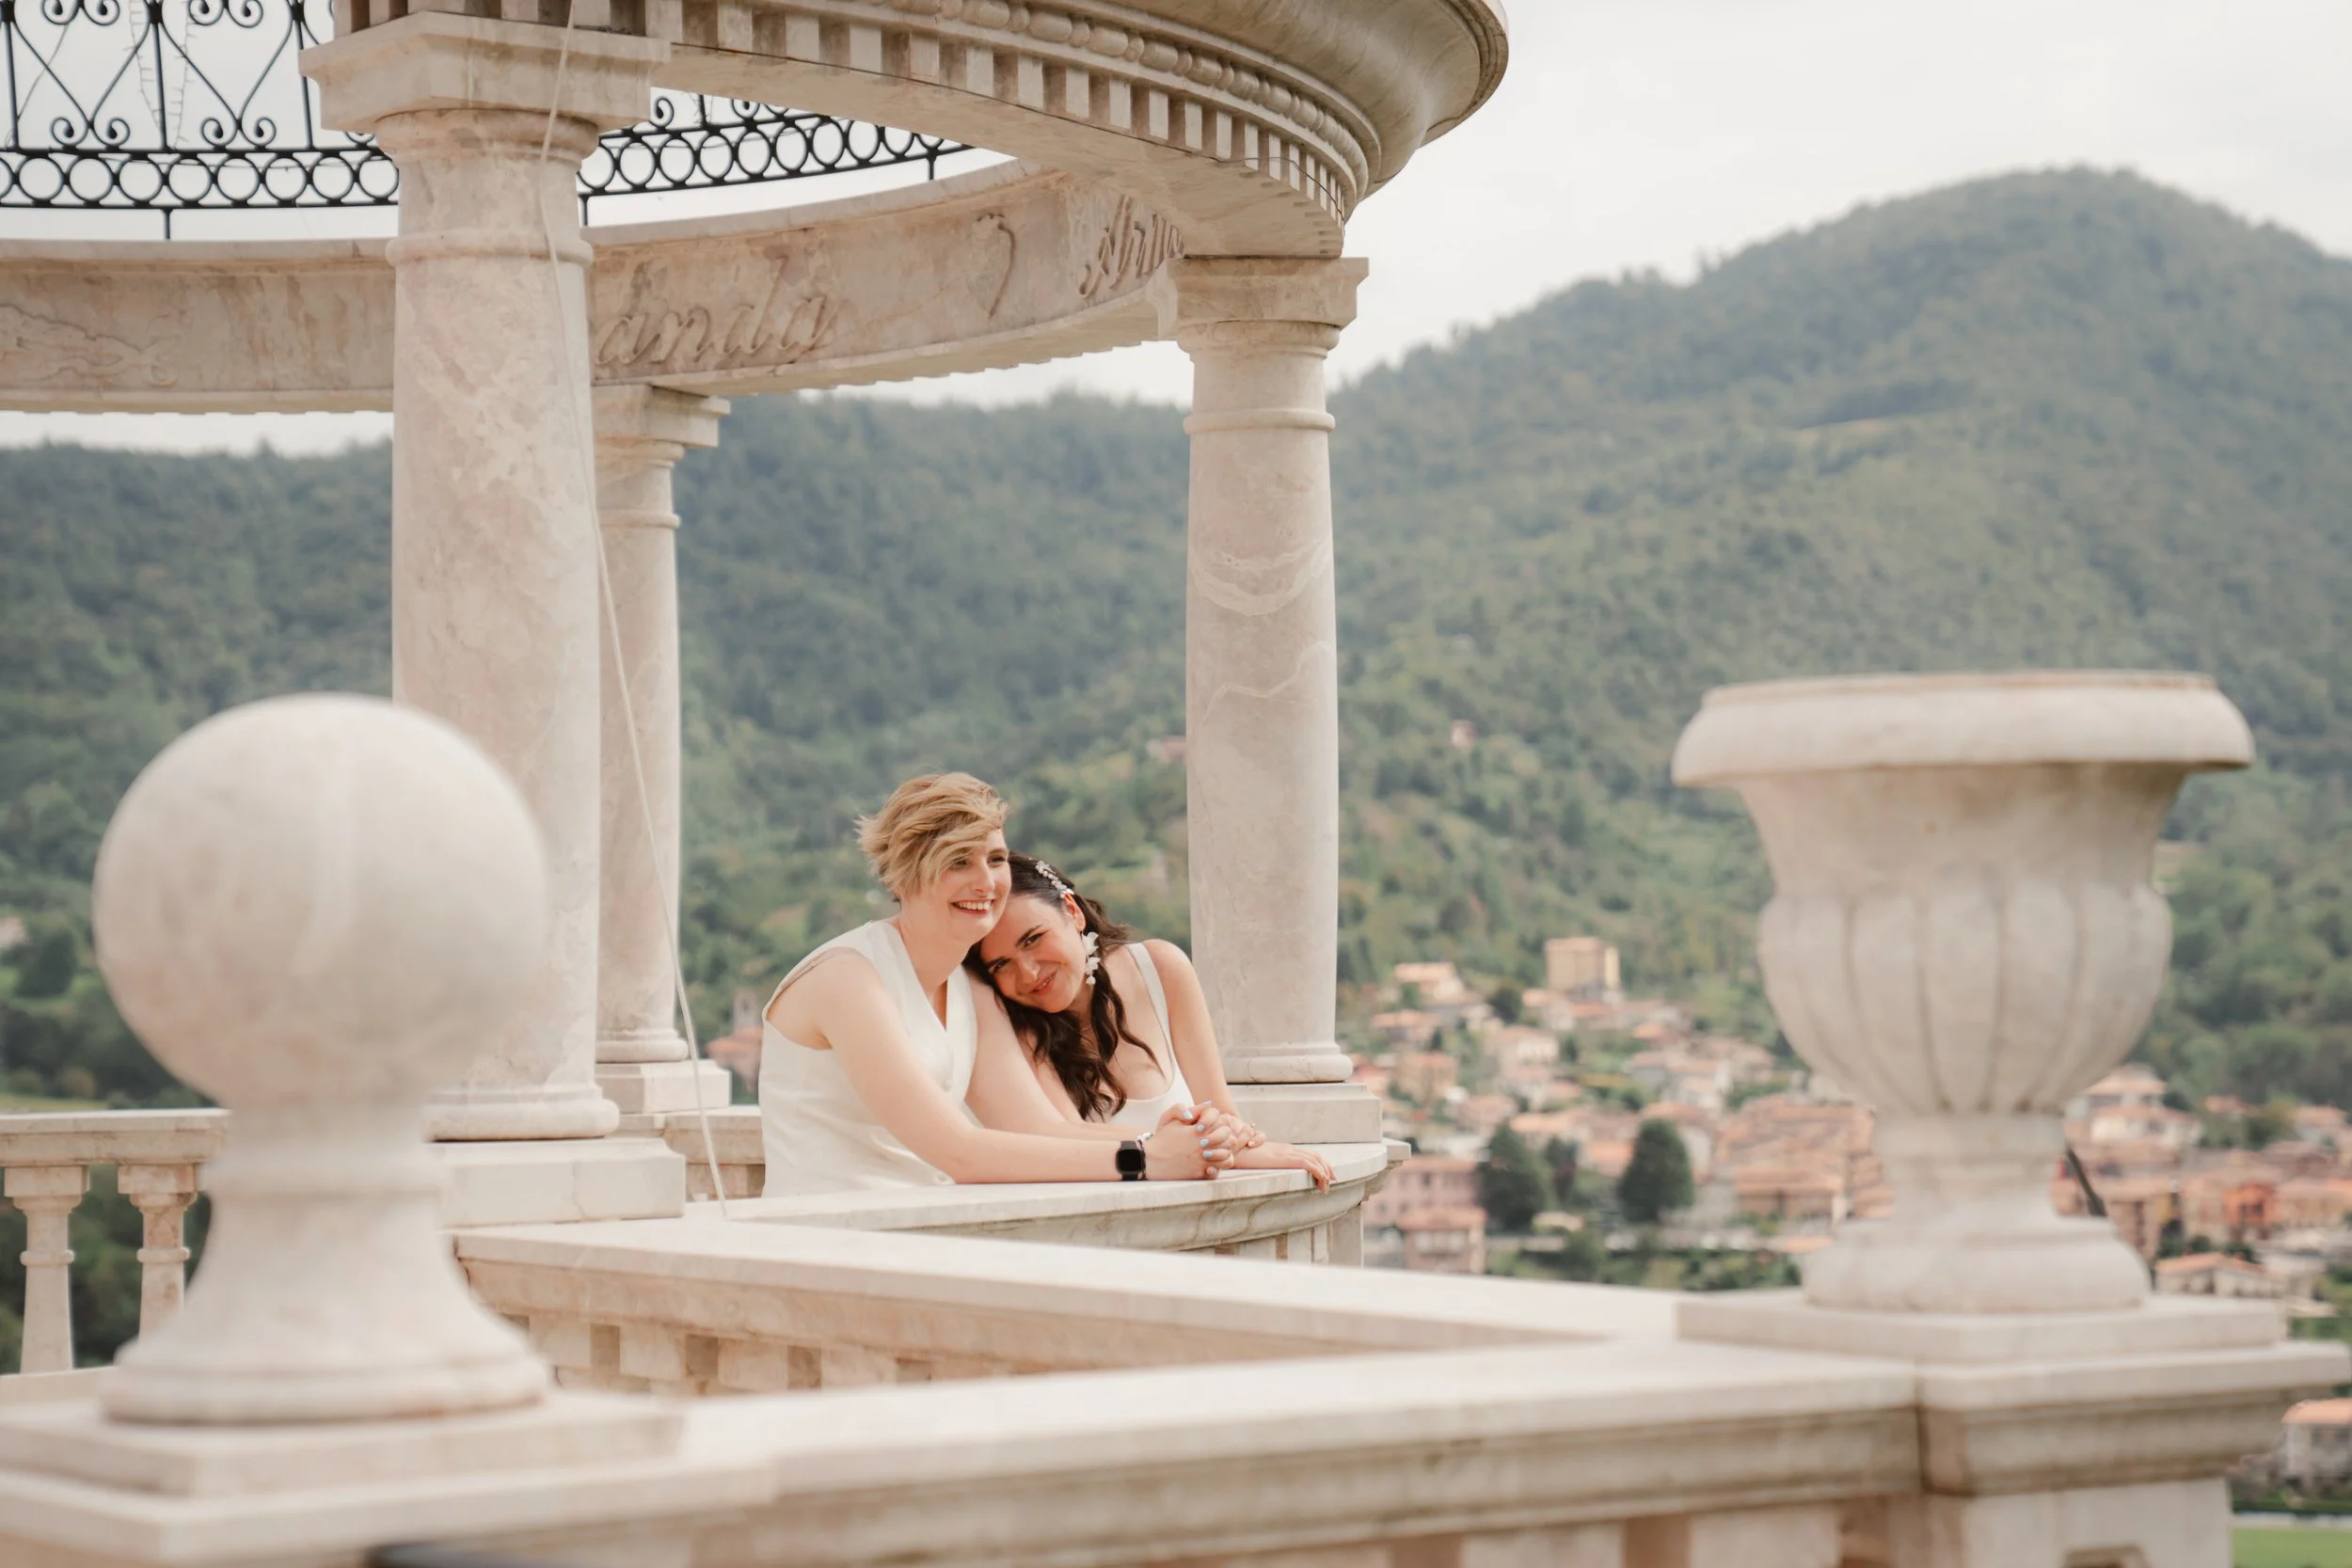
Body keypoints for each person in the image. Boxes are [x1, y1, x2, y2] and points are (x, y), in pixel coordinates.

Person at [759, 772, 1235, 1196]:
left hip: (912, 1232)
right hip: (822, 1238)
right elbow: (961, 1154)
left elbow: (1039, 1130)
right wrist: (1145, 1159)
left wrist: (1195, 1142)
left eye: (995, 858)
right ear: (903, 877)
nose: (985, 882)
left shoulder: (971, 988)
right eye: (958, 862)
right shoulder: (849, 978)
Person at [972, 852, 1335, 1192]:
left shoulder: (1161, 969)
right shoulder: (1012, 1028)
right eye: (1001, 964)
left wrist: (1242, 1146)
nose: (1029, 972)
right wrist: (1217, 1148)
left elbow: (1223, 1115)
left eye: (1033, 939)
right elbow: (1063, 1136)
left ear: (1072, 912)